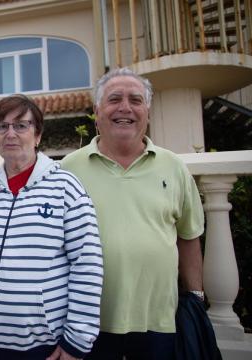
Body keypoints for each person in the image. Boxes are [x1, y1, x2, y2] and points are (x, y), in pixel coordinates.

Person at [60, 68, 205, 360]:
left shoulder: (173, 167)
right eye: (115, 99)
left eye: (135, 100)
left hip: (159, 321)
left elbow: (189, 236)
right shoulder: (68, 169)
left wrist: (196, 299)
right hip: (87, 322)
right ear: (97, 110)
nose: (125, 108)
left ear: (147, 112)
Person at [0, 94, 102, 360]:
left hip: (43, 347)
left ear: (38, 135)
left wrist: (76, 342)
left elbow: (87, 264)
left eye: (21, 125)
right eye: (2, 126)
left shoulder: (66, 188)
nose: (11, 134)